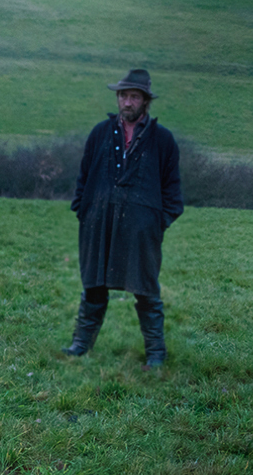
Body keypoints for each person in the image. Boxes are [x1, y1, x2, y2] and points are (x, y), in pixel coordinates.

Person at [63, 69, 184, 367]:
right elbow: (83, 177)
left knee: (146, 290)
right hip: (98, 224)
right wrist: (84, 210)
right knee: (93, 284)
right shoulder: (99, 134)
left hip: (142, 230)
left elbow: (173, 193)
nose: (127, 102)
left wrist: (157, 222)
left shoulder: (163, 141)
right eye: (123, 96)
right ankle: (81, 344)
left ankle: (156, 354)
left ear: (145, 102)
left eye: (134, 97)